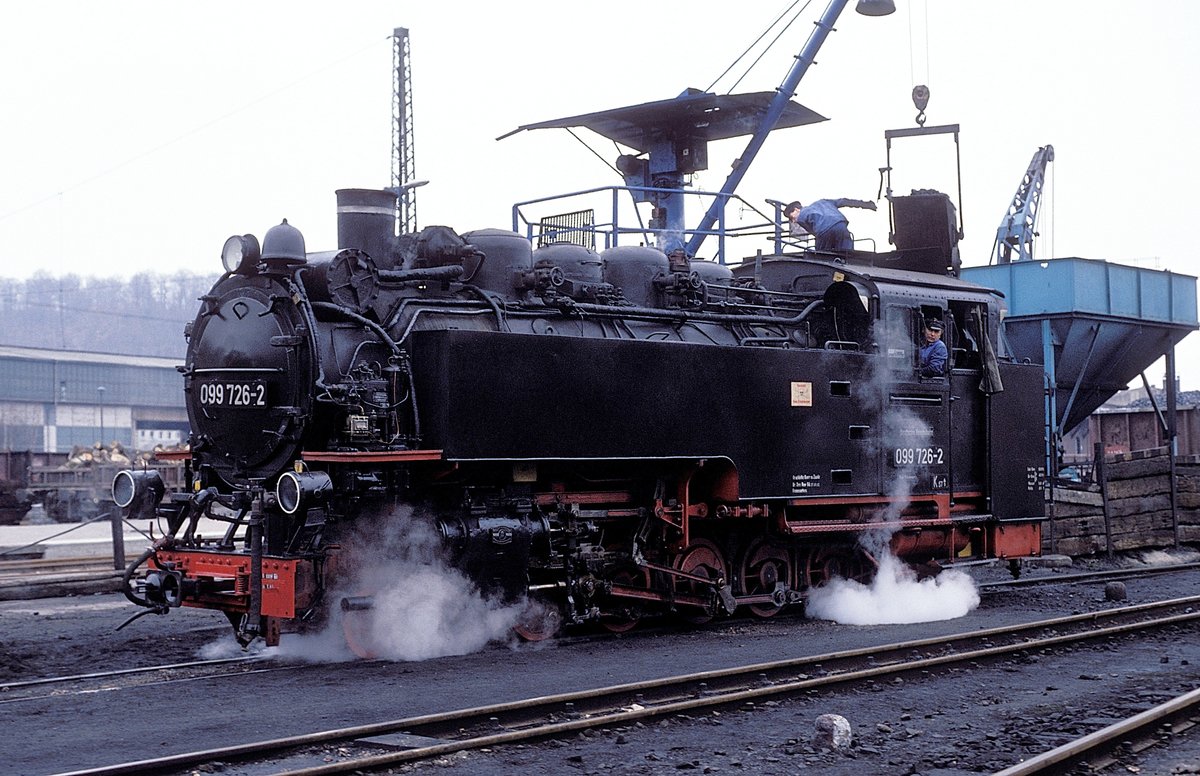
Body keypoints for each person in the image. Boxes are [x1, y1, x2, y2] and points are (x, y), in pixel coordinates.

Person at [784, 198, 877, 252]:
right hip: (840, 225)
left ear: (796, 210)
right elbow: (844, 201)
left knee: (821, 257)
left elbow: (814, 233)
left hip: (823, 232)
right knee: (847, 255)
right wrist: (866, 204)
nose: (794, 221)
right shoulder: (823, 202)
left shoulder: (801, 216)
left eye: (792, 218)